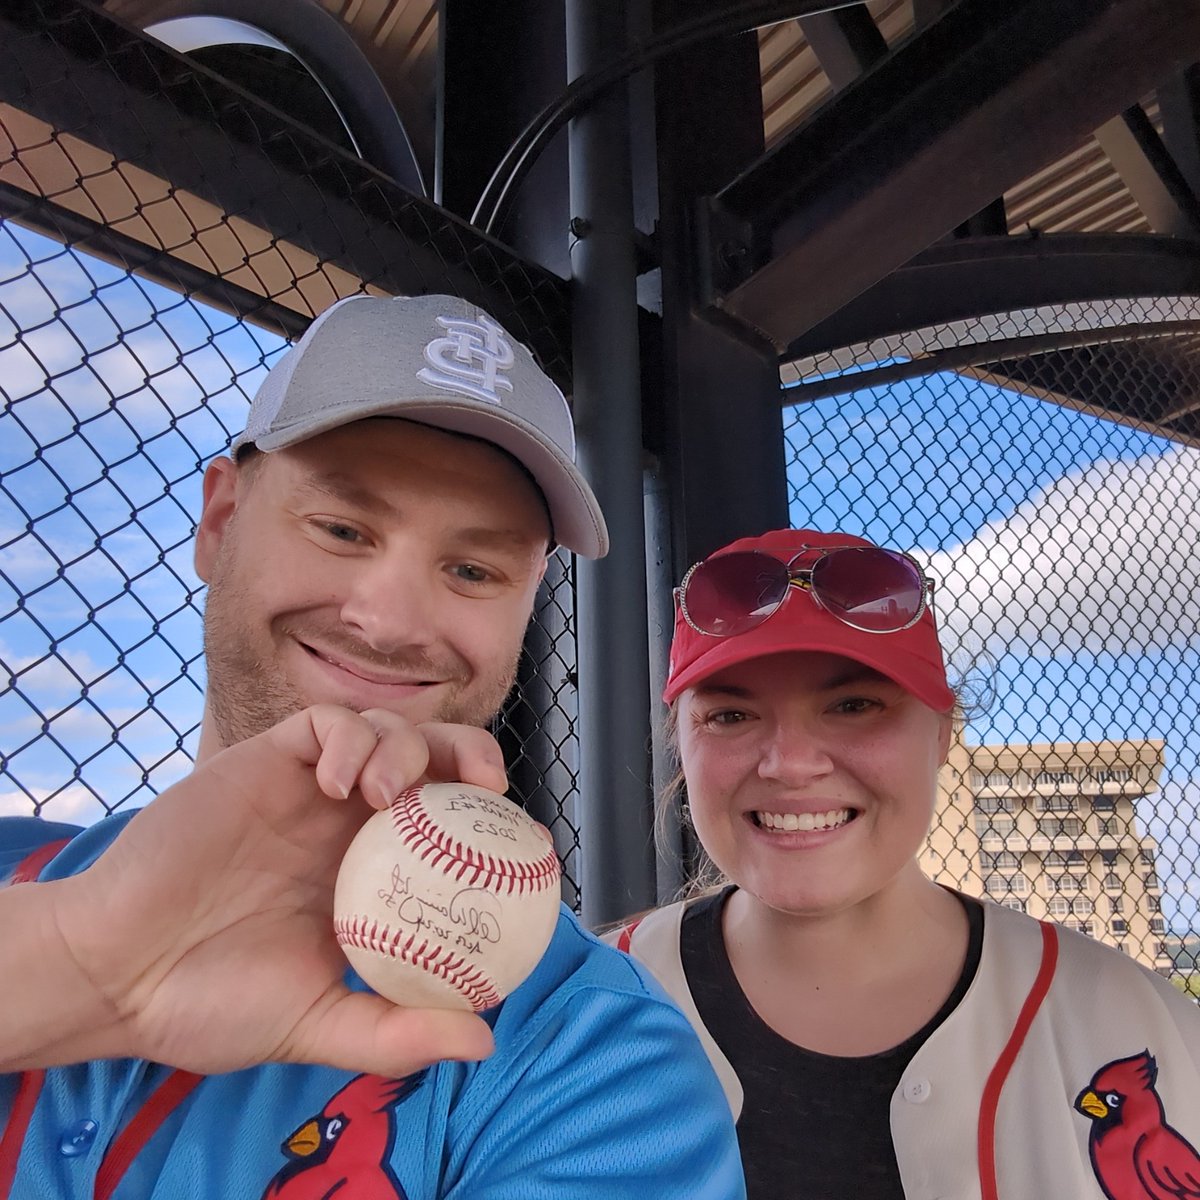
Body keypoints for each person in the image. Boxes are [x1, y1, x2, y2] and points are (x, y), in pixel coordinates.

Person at [0, 294, 745, 1199]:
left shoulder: (599, 1064)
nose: (388, 624)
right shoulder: (20, 882)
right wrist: (81, 967)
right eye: (343, 529)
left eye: (473, 570)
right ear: (220, 520)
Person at [609, 526, 1200, 1200]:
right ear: (681, 744)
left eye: (854, 705)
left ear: (944, 733)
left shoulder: (1146, 1028)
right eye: (731, 716)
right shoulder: (570, 1011)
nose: (791, 764)